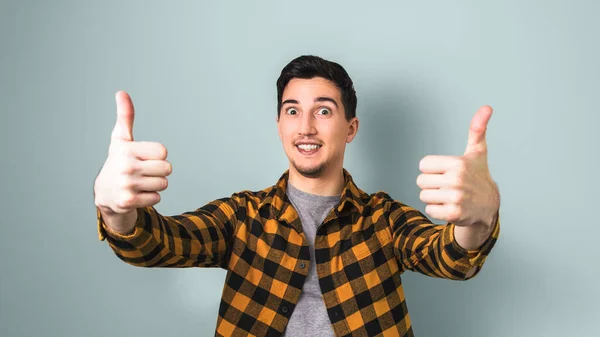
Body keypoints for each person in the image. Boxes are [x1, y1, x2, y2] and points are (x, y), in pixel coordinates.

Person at [94, 55, 500, 337]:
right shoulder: (243, 215)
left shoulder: (383, 219)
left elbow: (450, 257)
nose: (305, 126)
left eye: (323, 111)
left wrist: (479, 221)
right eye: (292, 110)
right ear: (279, 124)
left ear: (351, 127)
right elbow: (157, 244)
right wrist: (116, 213)